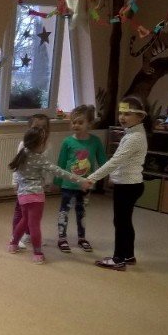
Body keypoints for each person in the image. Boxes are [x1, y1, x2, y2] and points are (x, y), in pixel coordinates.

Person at [84, 96, 149, 271]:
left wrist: (92, 178)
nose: (122, 117)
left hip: (128, 187)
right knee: (124, 221)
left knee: (121, 222)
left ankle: (118, 259)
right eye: (121, 113)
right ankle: (128, 255)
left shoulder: (135, 137)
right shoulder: (132, 133)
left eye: (127, 114)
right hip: (129, 185)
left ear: (140, 116)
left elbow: (115, 161)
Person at [9, 127, 86, 264]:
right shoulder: (39, 159)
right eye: (44, 143)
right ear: (38, 144)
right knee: (34, 225)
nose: (46, 146)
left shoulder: (22, 153)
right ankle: (37, 253)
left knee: (25, 220)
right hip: (36, 196)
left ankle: (13, 244)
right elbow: (59, 172)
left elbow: (17, 173)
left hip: (23, 196)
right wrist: (80, 180)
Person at [54, 105, 107, 253]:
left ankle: (82, 238)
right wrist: (57, 182)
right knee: (64, 211)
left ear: (89, 123)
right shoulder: (67, 142)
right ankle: (62, 238)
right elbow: (61, 163)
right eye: (73, 122)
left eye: (80, 122)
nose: (75, 125)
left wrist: (107, 177)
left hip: (85, 185)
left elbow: (103, 162)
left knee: (81, 212)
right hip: (68, 185)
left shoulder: (95, 141)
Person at [13, 114, 51, 250]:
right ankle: (15, 237)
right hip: (23, 186)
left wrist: (46, 182)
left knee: (34, 214)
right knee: (20, 212)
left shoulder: (46, 146)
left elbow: (46, 167)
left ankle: (29, 234)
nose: (40, 131)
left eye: (43, 128)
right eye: (36, 127)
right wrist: (15, 183)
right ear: (29, 129)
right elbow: (17, 166)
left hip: (37, 186)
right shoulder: (23, 145)